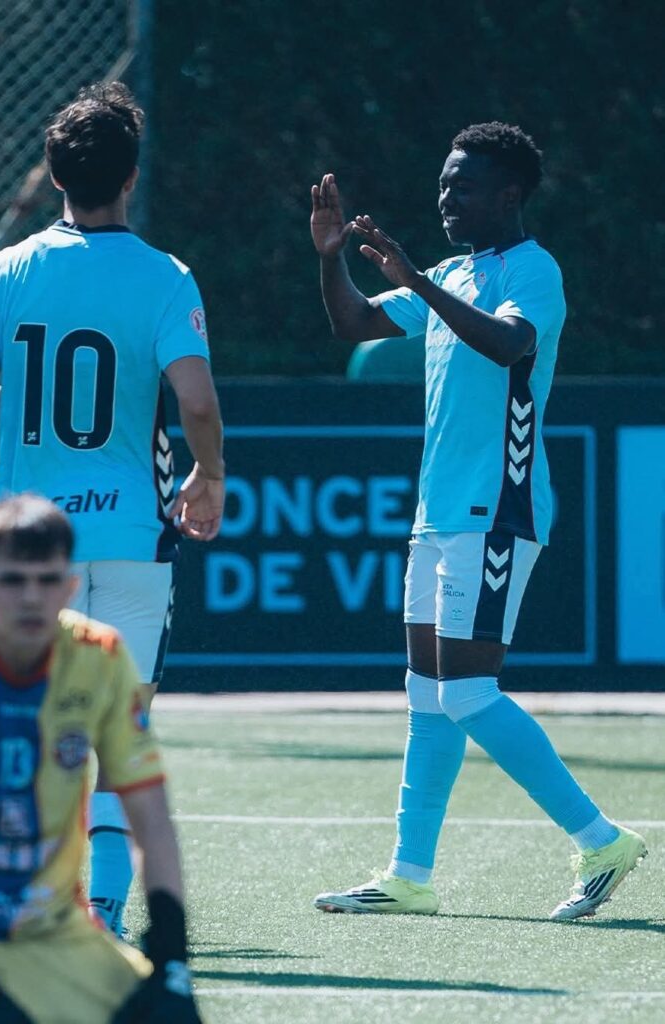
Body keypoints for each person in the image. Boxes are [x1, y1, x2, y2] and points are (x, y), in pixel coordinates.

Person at [309, 122, 646, 921]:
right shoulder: (451, 271)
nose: (445, 197)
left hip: (494, 508)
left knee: (464, 691)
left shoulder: (531, 270)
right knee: (427, 693)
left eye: (462, 185)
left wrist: (418, 283)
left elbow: (507, 344)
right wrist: (328, 257)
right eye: (441, 184)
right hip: (438, 513)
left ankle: (600, 840)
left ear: (509, 194)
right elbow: (353, 323)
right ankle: (408, 876)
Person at [0, 81, 224, 936]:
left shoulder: (8, 269)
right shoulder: (165, 276)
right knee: (118, 729)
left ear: (55, 175)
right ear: (131, 176)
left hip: (30, 544)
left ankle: (24, 890)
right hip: (132, 535)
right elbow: (196, 402)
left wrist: (8, 448)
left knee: (27, 723)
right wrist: (208, 475)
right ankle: (101, 901)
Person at [0, 494, 203, 1024]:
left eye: (47, 581)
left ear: (69, 588)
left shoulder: (101, 657)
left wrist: (172, 957)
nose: (30, 597)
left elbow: (152, 819)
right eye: (11, 581)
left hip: (53, 927)